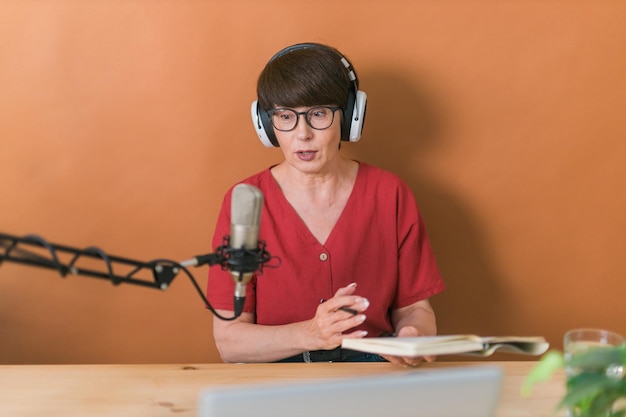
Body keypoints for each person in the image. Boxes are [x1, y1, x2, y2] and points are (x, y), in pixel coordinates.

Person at [206, 42, 445, 366]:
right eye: (285, 116)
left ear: (349, 117)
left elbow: (416, 309)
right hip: (276, 384)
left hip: (373, 378)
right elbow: (230, 342)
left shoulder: (390, 193)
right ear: (266, 124)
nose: (302, 134)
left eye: (318, 114)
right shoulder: (246, 200)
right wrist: (311, 333)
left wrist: (413, 336)